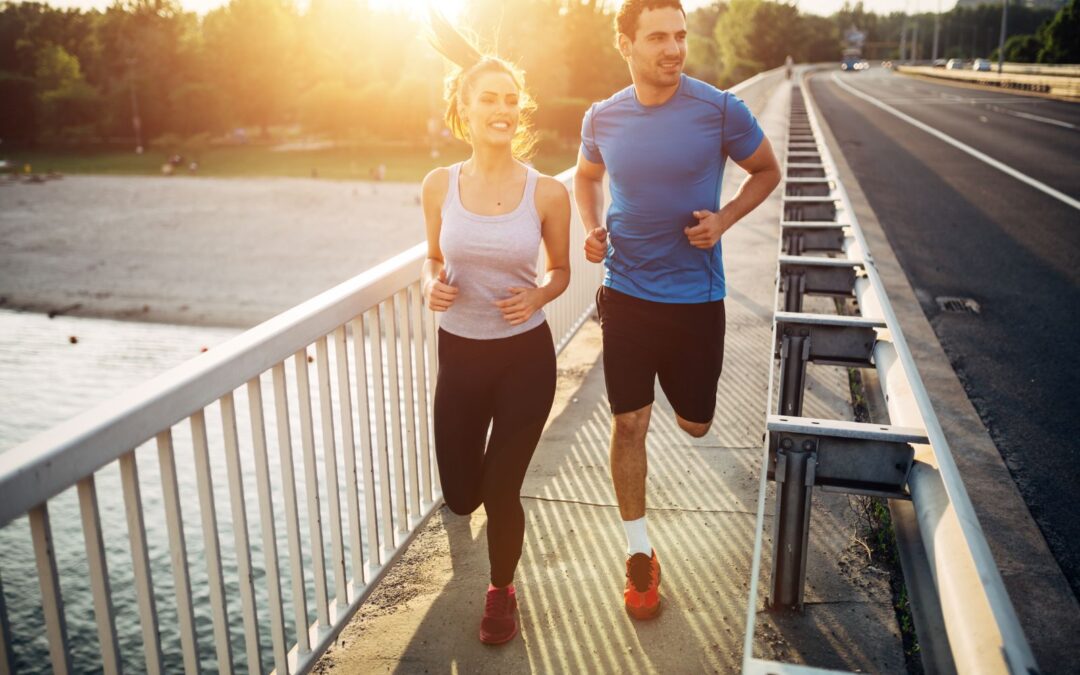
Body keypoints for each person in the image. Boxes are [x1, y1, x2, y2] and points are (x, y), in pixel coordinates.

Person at [573, 0, 780, 620]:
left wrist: (725, 220)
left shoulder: (719, 109)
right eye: (658, 36)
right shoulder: (602, 118)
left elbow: (766, 171)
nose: (673, 48)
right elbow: (585, 178)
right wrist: (591, 227)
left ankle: (668, 398)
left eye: (680, 36)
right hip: (628, 294)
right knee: (629, 425)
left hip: (696, 300)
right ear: (626, 43)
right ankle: (639, 556)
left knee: (694, 423)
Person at [422, 12, 572, 645]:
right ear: (465, 105)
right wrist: (433, 281)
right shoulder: (436, 186)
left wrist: (538, 292)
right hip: (459, 355)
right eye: (490, 99)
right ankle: (483, 485)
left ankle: (501, 592)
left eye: (512, 100)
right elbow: (433, 256)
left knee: (501, 487)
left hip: (524, 361)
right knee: (461, 497)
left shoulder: (546, 195)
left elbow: (563, 271)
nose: (503, 109)